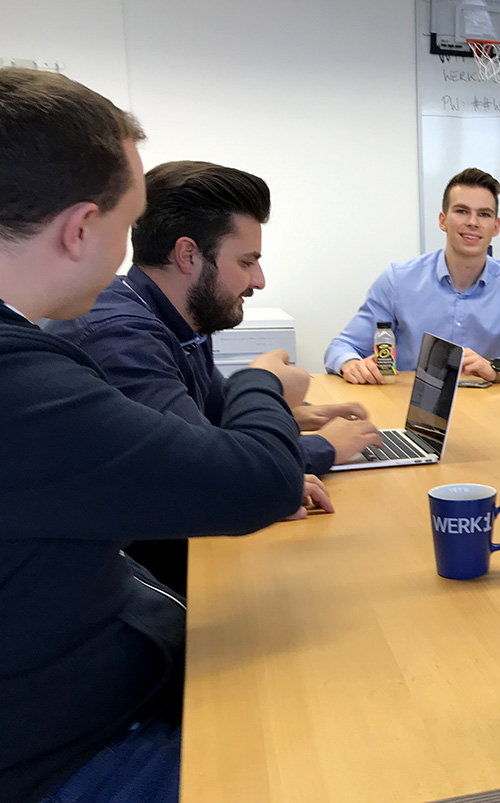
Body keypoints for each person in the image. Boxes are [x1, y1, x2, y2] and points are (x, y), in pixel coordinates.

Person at [0, 68, 309, 802]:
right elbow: (258, 478)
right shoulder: (22, 386)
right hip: (74, 754)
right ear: (80, 228)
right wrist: (264, 377)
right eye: (124, 224)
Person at [45, 161, 380, 594]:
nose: (258, 280)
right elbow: (214, 474)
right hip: (140, 570)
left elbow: (214, 414)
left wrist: (298, 416)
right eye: (246, 262)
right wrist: (322, 442)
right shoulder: (122, 335)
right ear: (188, 255)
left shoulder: (178, 318)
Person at [324, 167, 500, 384]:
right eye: (462, 211)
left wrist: (497, 367)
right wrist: (350, 364)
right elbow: (341, 347)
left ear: (495, 227)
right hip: (407, 405)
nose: (473, 222)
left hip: (483, 407)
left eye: (484, 214)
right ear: (443, 220)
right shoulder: (398, 280)